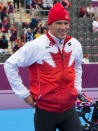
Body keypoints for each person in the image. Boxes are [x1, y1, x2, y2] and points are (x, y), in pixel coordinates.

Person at [4, 3, 83, 131]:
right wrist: (23, 94)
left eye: (65, 23)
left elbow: (78, 67)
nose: (63, 27)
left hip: (69, 110)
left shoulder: (75, 45)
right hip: (45, 112)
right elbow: (10, 64)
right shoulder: (36, 45)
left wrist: (77, 88)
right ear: (49, 24)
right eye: (58, 23)